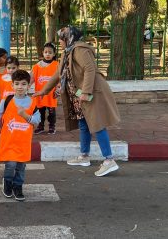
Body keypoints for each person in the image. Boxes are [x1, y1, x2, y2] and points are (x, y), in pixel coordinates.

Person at [33, 26, 121, 177]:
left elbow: (90, 69)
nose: (59, 42)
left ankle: (109, 160)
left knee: (97, 124)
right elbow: (57, 74)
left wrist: (86, 92)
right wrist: (44, 91)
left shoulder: (80, 50)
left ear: (68, 38)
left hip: (91, 93)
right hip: (78, 94)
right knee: (84, 123)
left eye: (61, 39)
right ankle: (84, 156)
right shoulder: (67, 51)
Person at [0, 70, 41, 201]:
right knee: (11, 165)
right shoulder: (8, 100)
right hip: (9, 141)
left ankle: (18, 186)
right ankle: (7, 182)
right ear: (12, 85)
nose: (20, 87)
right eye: (17, 83)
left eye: (24, 84)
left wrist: (25, 116)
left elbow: (37, 121)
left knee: (21, 166)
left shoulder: (32, 103)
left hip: (23, 142)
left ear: (28, 86)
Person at [31, 42, 59, 135]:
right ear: (42, 53)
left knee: (51, 112)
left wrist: (58, 88)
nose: (48, 54)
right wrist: (26, 86)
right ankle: (40, 126)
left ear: (54, 54)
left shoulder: (56, 65)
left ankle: (52, 126)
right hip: (39, 94)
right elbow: (31, 78)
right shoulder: (37, 66)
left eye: (50, 52)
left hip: (51, 94)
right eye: (46, 52)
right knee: (40, 112)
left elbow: (60, 78)